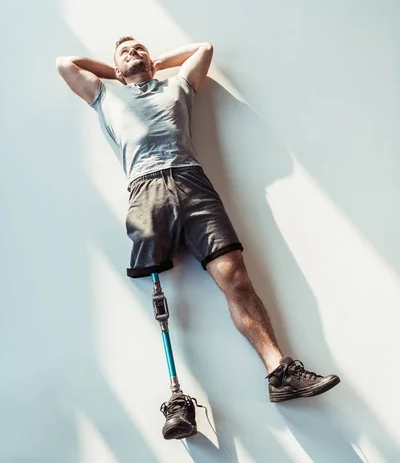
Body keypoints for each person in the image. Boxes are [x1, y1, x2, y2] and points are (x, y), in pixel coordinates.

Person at [56, 37, 340, 436]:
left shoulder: (177, 87)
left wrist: (151, 63)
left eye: (140, 48)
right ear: (114, 67)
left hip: (193, 181)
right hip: (145, 189)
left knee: (236, 277)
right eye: (125, 52)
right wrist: (117, 71)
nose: (134, 53)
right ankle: (177, 400)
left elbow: (203, 49)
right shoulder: (105, 94)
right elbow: (65, 63)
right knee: (160, 292)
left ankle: (279, 372)